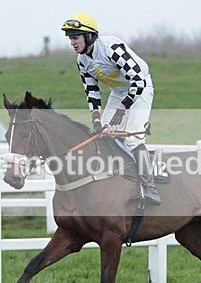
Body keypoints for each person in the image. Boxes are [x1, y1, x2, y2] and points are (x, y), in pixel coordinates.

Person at [61, 13, 161, 206]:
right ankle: (118, 179)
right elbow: (92, 92)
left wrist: (121, 110)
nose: (72, 43)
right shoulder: (82, 60)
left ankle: (150, 188)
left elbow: (138, 81)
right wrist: (97, 121)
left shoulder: (110, 48)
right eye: (70, 38)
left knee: (133, 139)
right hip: (118, 92)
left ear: (89, 36)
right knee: (104, 136)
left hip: (141, 88)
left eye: (75, 38)